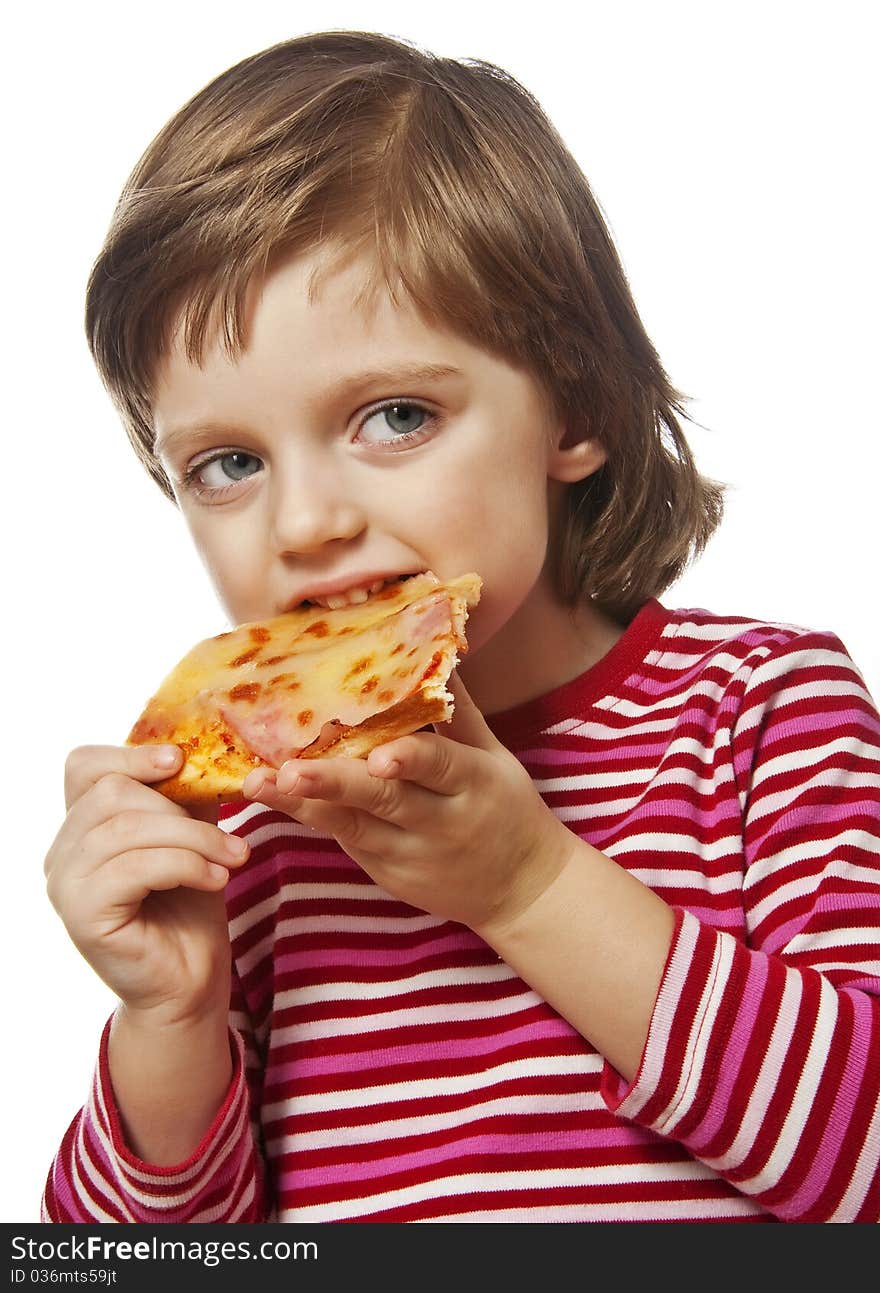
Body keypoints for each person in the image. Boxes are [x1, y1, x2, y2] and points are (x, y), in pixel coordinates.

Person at [41, 29, 880, 1224]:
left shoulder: (761, 714)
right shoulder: (258, 840)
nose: (308, 522)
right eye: (228, 462)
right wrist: (167, 1019)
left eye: (393, 416)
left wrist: (528, 886)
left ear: (574, 408)